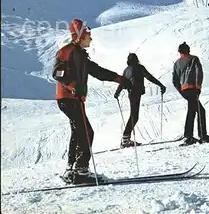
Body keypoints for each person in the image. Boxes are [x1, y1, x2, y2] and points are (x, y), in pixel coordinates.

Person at [53, 19, 131, 184]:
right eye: (89, 35)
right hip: (68, 98)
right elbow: (57, 73)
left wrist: (119, 79)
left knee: (78, 131)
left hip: (74, 99)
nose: (91, 38)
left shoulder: (80, 54)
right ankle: (81, 171)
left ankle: (71, 169)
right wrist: (72, 85)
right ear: (80, 35)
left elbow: (97, 71)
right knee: (87, 132)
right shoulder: (67, 51)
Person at [114, 53, 166, 148]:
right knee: (134, 116)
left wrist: (117, 93)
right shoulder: (139, 67)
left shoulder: (126, 70)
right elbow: (149, 77)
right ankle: (125, 139)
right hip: (136, 92)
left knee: (134, 115)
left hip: (131, 92)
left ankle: (126, 139)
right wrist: (160, 85)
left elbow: (122, 82)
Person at [172, 42, 209, 146]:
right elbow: (199, 73)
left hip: (184, 90)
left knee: (193, 110)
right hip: (193, 88)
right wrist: (198, 87)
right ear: (188, 50)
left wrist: (181, 91)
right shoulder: (194, 59)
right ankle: (198, 136)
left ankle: (191, 136)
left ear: (180, 52)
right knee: (198, 111)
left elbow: (174, 80)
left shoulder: (177, 63)